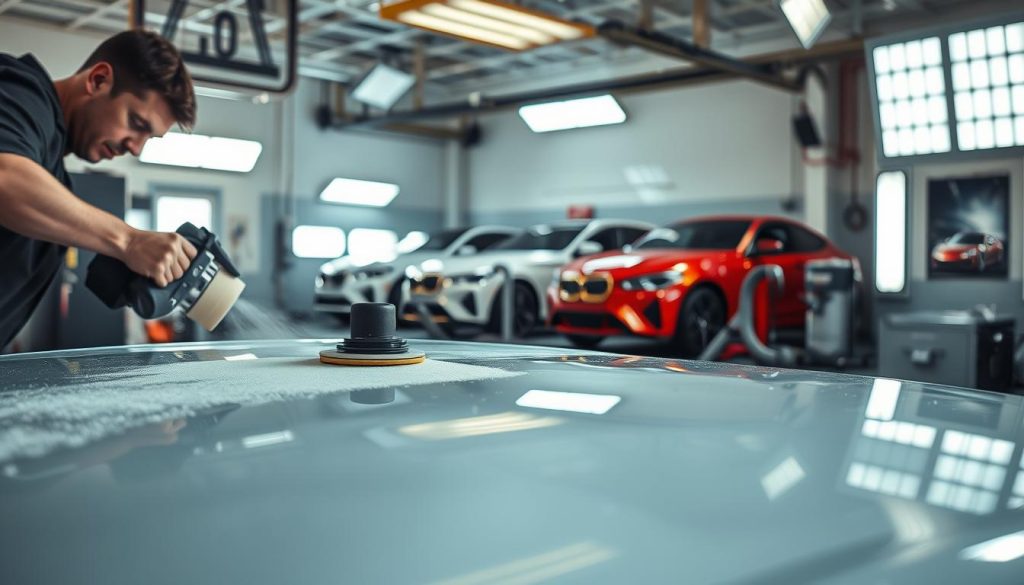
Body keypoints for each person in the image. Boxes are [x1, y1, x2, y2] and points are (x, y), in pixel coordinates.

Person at [0, 30, 199, 348]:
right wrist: (129, 241)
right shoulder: (18, 90)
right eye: (137, 123)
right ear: (98, 80)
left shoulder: (53, 172)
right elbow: (6, 180)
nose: (136, 148)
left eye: (149, 138)